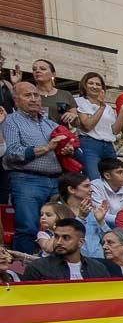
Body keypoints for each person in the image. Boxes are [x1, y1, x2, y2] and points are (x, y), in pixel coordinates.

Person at [2, 81, 70, 253]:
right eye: (27, 95)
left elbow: (69, 146)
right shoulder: (10, 122)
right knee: (27, 228)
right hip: (26, 180)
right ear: (16, 101)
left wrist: (68, 149)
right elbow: (12, 153)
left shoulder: (50, 124)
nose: (34, 99)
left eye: (36, 95)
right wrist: (46, 148)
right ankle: (25, 272)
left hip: (55, 180)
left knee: (62, 227)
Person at [21, 218, 114, 280]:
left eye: (66, 238)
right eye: (56, 237)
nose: (59, 242)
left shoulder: (98, 269)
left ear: (81, 242)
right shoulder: (37, 268)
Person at [73, 72, 123, 180]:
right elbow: (87, 126)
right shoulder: (79, 101)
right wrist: (101, 107)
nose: (95, 86)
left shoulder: (108, 108)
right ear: (84, 85)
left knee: (114, 179)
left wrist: (122, 111)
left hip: (108, 145)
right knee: (93, 178)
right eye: (91, 83)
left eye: (98, 84)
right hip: (89, 143)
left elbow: (115, 131)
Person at [58, 172, 109, 258]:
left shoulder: (92, 210)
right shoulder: (57, 210)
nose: (91, 190)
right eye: (86, 186)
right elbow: (65, 236)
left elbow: (109, 239)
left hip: (98, 262)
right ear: (71, 189)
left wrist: (101, 221)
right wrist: (81, 217)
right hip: (73, 262)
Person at [29, 59, 77, 124]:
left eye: (42, 69)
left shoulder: (65, 94)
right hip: (33, 132)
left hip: (59, 133)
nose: (37, 71)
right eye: (34, 69)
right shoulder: (29, 94)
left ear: (53, 74)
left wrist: (72, 116)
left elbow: (77, 123)